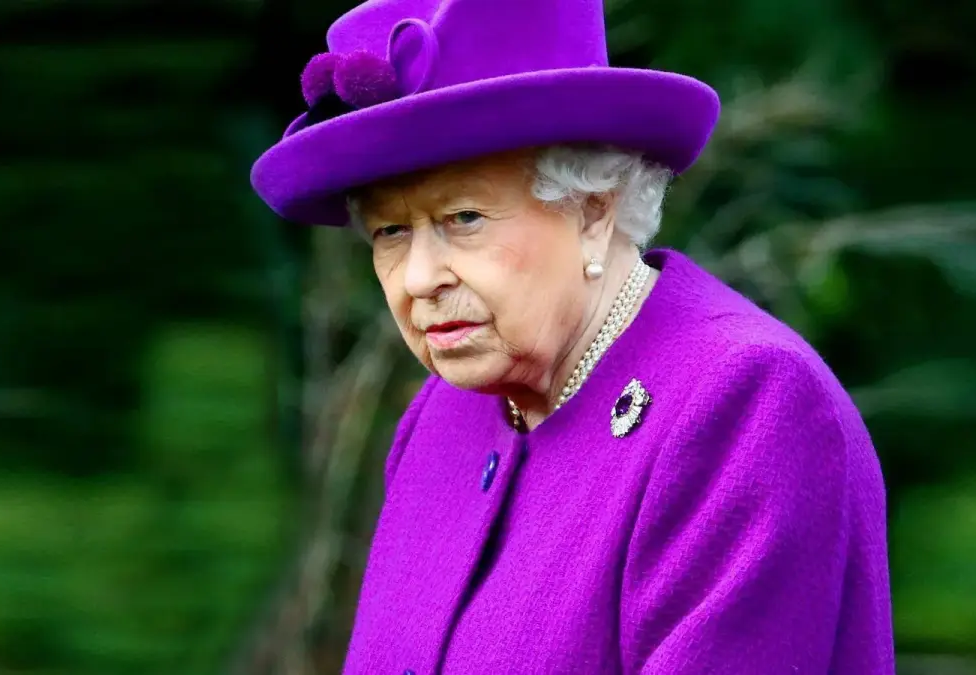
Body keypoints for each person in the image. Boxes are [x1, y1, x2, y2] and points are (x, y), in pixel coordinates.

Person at [250, 0, 895, 672]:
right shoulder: (440, 414)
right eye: (390, 231)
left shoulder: (747, 403)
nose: (418, 279)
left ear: (592, 211)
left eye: (464, 217)